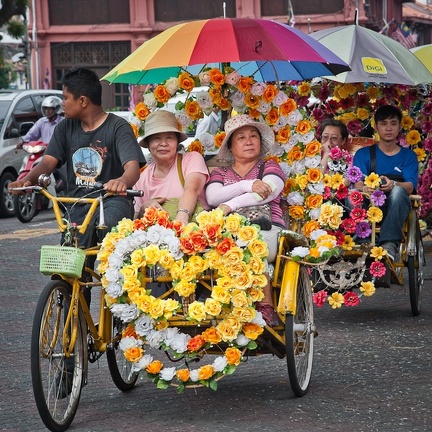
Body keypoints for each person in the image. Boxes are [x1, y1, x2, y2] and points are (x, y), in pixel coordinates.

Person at [9, 67, 146, 248]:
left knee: (112, 228)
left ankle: (115, 273)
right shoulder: (65, 127)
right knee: (68, 257)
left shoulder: (118, 127)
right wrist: (25, 180)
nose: (62, 103)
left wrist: (120, 181)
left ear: (82, 101)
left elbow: (132, 168)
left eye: (65, 98)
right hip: (77, 203)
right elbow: (48, 162)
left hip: (112, 200)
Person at [205, 114, 286, 327]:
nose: (249, 141)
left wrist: (230, 204)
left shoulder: (269, 166)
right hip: (228, 230)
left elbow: (267, 192)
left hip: (269, 227)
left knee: (252, 244)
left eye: (253, 136)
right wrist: (246, 186)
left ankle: (266, 306)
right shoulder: (221, 172)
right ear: (231, 147)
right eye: (241, 138)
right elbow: (213, 197)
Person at [352, 105, 418, 260]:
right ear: (376, 127)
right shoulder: (363, 154)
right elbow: (357, 183)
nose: (388, 128)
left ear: (400, 127)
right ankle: (364, 241)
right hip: (369, 204)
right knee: (353, 194)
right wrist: (367, 188)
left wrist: (393, 184)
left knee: (397, 191)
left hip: (396, 206)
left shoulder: (408, 156)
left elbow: (410, 186)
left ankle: (389, 243)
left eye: (393, 123)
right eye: (383, 123)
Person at [134, 110, 210, 224]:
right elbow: (135, 220)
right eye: (156, 138)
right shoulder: (141, 179)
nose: (163, 143)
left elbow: (192, 189)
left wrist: (182, 217)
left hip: (195, 232)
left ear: (177, 142)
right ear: (148, 145)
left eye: (169, 137)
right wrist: (144, 208)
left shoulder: (191, 159)